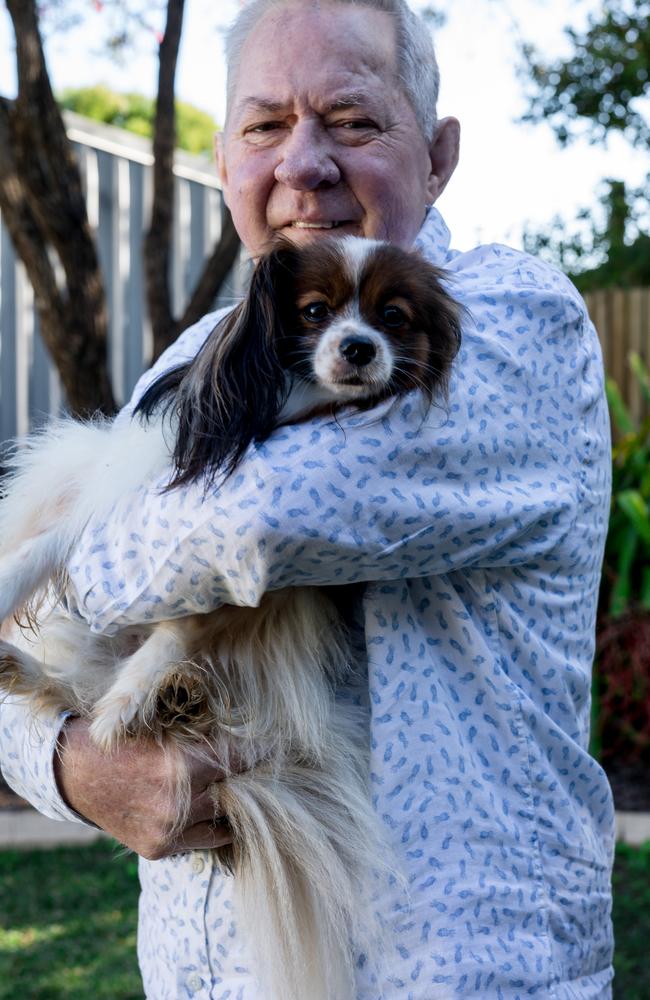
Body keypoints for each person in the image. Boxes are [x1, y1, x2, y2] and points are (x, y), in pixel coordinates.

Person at [0, 0, 615, 996]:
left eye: (353, 120)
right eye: (264, 126)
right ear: (225, 158)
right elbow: (28, 640)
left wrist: (78, 543)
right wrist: (72, 764)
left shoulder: (499, 321)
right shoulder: (190, 358)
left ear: (437, 153)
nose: (303, 163)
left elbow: (250, 525)